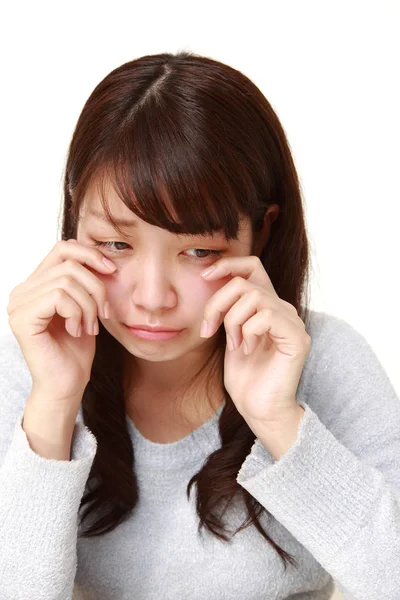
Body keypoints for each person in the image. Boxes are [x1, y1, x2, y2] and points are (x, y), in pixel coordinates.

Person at [0, 51, 398, 600]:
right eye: (116, 244)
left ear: (261, 233)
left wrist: (279, 419)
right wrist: (52, 408)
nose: (153, 298)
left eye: (198, 250)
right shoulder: (31, 359)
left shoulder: (323, 359)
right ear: (75, 220)